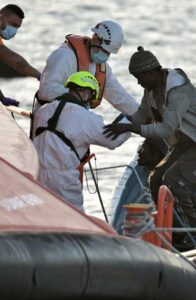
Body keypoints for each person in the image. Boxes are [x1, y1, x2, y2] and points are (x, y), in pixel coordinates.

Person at [103, 46, 196, 236]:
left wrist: (129, 128)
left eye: (140, 78)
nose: (139, 83)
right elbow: (142, 115)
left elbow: (166, 129)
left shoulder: (178, 91)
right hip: (185, 143)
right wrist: (122, 122)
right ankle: (180, 227)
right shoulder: (151, 90)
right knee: (156, 179)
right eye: (136, 78)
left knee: (176, 182)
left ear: (153, 72)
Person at [33, 71, 131, 212]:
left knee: (43, 215)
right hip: (63, 181)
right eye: (90, 99)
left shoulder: (43, 111)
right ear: (86, 93)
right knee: (73, 220)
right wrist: (130, 121)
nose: (89, 103)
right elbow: (112, 141)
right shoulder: (84, 116)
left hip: (37, 176)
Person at [35, 20, 138, 117]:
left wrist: (144, 115)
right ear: (95, 39)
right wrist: (77, 95)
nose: (105, 55)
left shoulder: (101, 67)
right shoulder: (64, 55)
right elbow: (46, 90)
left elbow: (120, 96)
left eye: (108, 53)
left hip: (74, 120)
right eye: (104, 50)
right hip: (49, 122)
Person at [110, 138, 168, 233]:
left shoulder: (164, 180)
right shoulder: (142, 175)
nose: (139, 152)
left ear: (155, 154)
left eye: (142, 148)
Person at [0, 4, 41, 106]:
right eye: (13, 25)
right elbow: (17, 63)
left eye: (17, 27)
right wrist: (39, 75)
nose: (14, 31)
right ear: (1, 18)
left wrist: (1, 98)